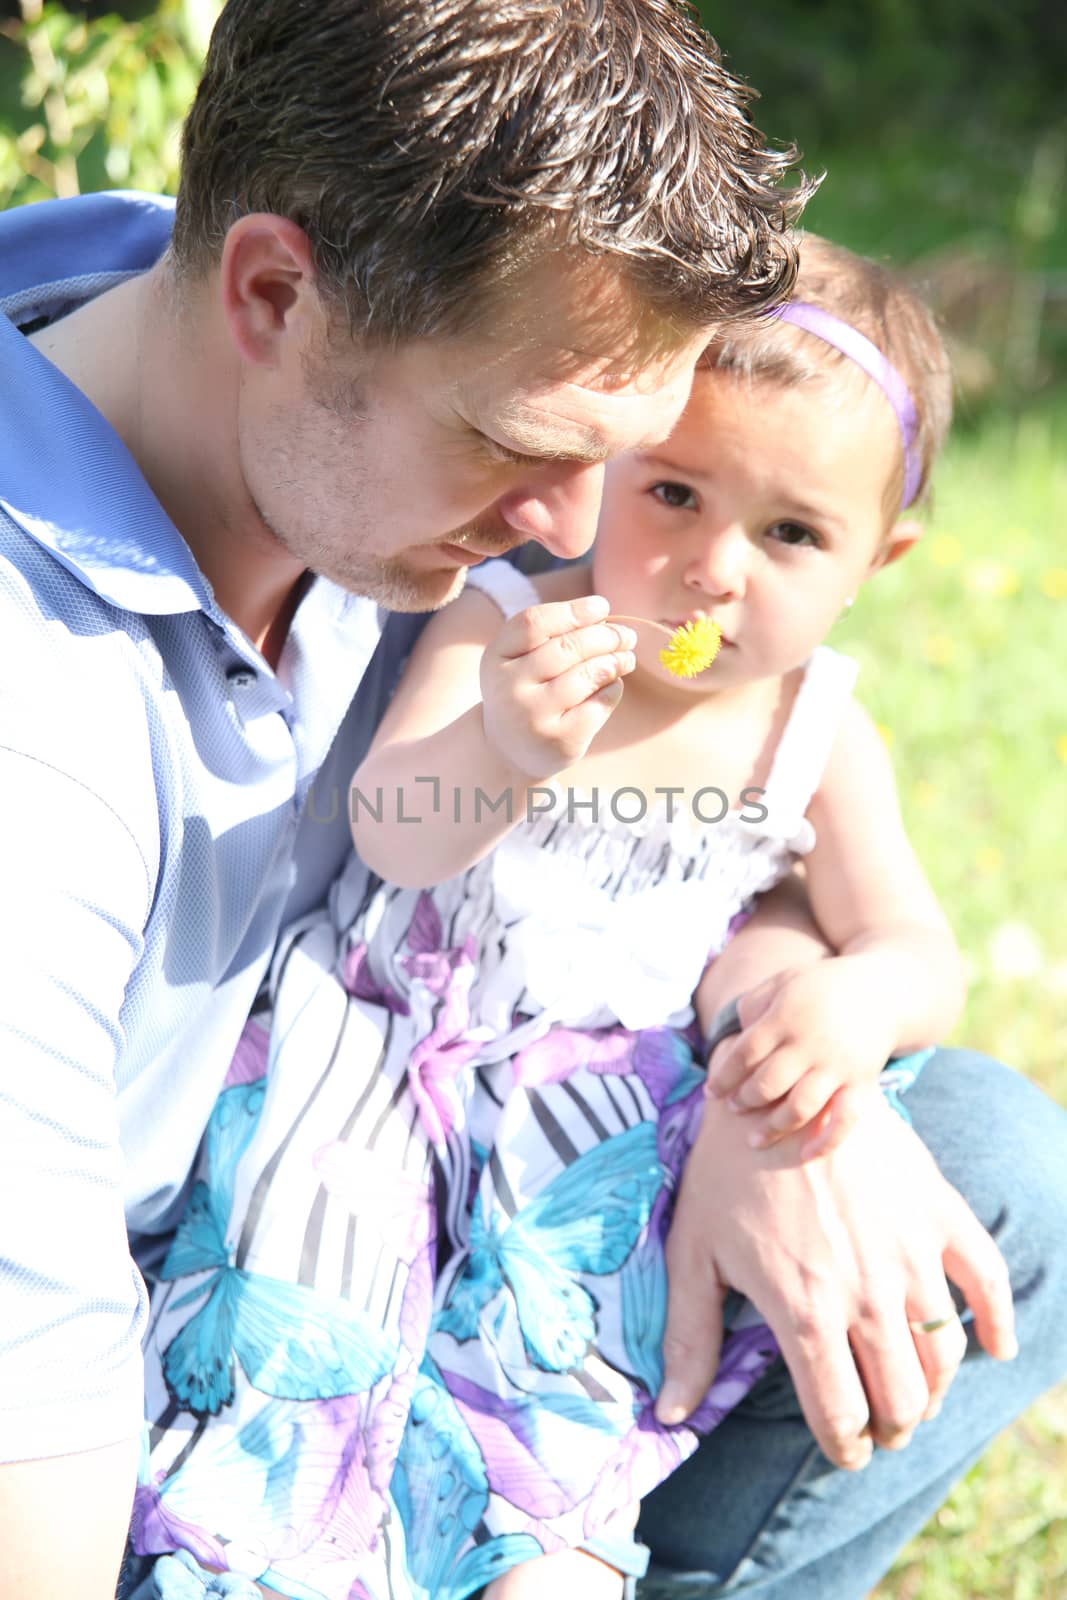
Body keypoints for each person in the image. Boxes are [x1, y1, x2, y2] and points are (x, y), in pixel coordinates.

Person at [0, 2, 1061, 1598]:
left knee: (989, 1170)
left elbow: (711, 822)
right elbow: (31, 1366)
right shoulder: (36, 708)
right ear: (271, 295)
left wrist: (774, 1074)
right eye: (522, 448)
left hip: (503, 1178)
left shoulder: (323, 374)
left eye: (631, 459)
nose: (576, 536)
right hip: (167, 1335)